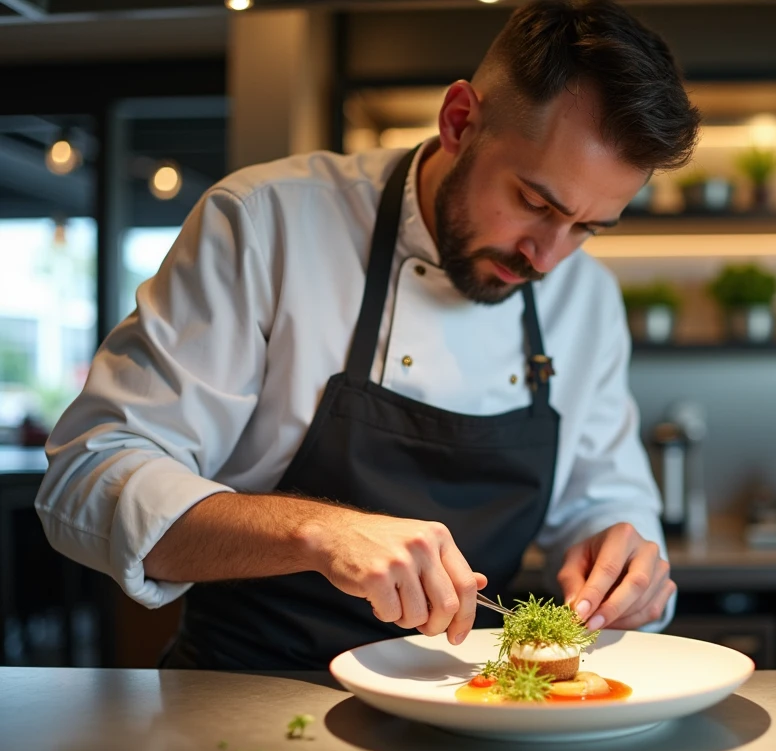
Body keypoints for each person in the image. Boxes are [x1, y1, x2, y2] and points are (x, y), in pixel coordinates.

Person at [35, 0, 701, 669]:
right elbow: (90, 476)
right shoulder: (268, 224)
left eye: (588, 227)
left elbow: (603, 496)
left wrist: (620, 557)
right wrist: (316, 530)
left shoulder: (585, 299)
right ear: (460, 121)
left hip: (463, 704)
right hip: (247, 700)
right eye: (535, 203)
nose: (549, 258)